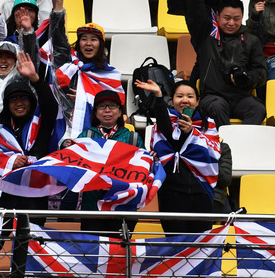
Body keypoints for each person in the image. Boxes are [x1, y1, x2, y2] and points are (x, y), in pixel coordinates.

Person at [136, 79, 231, 234]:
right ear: (172, 101)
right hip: (171, 194)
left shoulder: (209, 125)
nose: (185, 100)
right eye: (179, 96)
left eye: (190, 96)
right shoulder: (161, 125)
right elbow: (169, 137)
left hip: (202, 193)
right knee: (175, 246)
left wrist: (191, 133)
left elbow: (213, 153)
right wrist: (159, 97)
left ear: (198, 101)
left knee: (200, 247)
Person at [184, 0, 267, 127]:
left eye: (236, 19)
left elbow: (262, 72)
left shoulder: (251, 40)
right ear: (218, 17)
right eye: (227, 18)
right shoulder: (207, 36)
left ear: (242, 17)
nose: (231, 23)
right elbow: (195, 12)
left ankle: (242, 145)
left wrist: (248, 78)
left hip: (241, 97)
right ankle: (223, 148)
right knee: (217, 107)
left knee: (258, 109)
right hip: (213, 97)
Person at [0, 53, 59, 223]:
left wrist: (35, 78)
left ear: (31, 102)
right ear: (7, 105)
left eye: (24, 98)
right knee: (4, 242)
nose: (19, 103)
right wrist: (11, 161)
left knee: (32, 241)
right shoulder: (1, 133)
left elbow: (50, 105)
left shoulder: (40, 126)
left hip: (35, 196)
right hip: (7, 195)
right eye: (13, 99)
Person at [74, 90, 143, 236]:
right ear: (96, 112)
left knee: (118, 252)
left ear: (119, 112)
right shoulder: (86, 135)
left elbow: (142, 167)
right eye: (102, 106)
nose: (107, 110)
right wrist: (66, 146)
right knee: (92, 251)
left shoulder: (133, 138)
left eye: (112, 106)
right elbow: (73, 160)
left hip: (123, 204)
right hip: (92, 205)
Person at [54, 23, 124, 141]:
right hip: (64, 128)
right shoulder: (68, 68)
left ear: (101, 45)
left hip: (96, 134)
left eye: (93, 39)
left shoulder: (111, 74)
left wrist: (83, 99)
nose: (88, 43)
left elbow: (115, 106)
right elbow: (57, 40)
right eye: (84, 39)